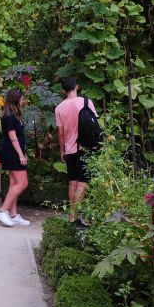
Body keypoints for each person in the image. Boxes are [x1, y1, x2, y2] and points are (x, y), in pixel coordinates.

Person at [55, 77, 97, 227]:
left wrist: (62, 150)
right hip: (85, 147)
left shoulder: (59, 108)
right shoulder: (87, 102)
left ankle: (71, 216)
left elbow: (60, 133)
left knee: (72, 181)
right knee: (83, 182)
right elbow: (94, 124)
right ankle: (74, 213)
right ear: (77, 87)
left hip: (70, 149)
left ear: (63, 90)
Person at [0, 88, 31, 227]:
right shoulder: (9, 116)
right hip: (12, 153)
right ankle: (2, 211)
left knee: (14, 184)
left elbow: (19, 137)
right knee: (22, 183)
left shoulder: (14, 115)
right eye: (21, 98)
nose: (23, 100)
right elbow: (12, 136)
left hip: (15, 151)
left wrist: (23, 152)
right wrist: (20, 154)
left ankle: (13, 215)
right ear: (16, 100)